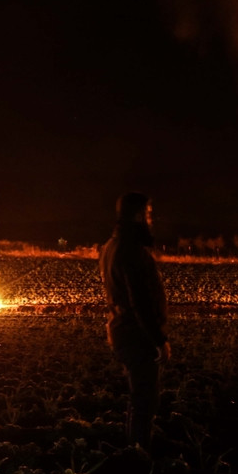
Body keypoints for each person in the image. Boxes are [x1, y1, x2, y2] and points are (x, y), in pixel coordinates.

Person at [99, 191, 170, 450]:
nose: (151, 219)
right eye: (149, 214)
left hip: (122, 331)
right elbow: (140, 301)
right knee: (145, 399)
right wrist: (159, 340)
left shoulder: (111, 245)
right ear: (138, 215)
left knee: (138, 395)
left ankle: (135, 448)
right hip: (136, 335)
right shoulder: (131, 250)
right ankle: (139, 454)